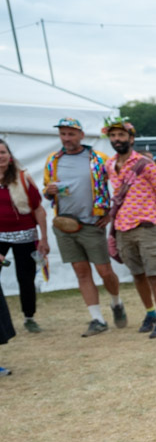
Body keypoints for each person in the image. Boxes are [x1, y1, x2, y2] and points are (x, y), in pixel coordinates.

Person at [42, 117, 126, 335]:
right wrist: (48, 191)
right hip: (64, 224)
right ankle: (97, 319)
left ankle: (116, 302)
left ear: (81, 135)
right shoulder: (53, 160)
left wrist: (110, 213)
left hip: (92, 223)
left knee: (104, 271)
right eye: (63, 134)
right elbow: (47, 189)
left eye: (71, 134)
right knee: (81, 272)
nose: (66, 138)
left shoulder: (99, 158)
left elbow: (120, 185)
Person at [104, 120, 156, 338]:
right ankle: (150, 313)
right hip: (122, 228)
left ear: (131, 139)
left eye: (121, 135)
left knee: (155, 276)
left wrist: (150, 214)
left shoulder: (145, 164)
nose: (117, 139)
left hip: (146, 227)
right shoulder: (110, 164)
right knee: (137, 274)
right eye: (113, 136)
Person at [0, 137, 47, 332]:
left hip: (25, 234)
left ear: (9, 155)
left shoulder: (22, 177)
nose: (0, 157)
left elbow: (38, 209)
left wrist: (43, 238)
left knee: (25, 278)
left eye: (3, 152)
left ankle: (29, 317)